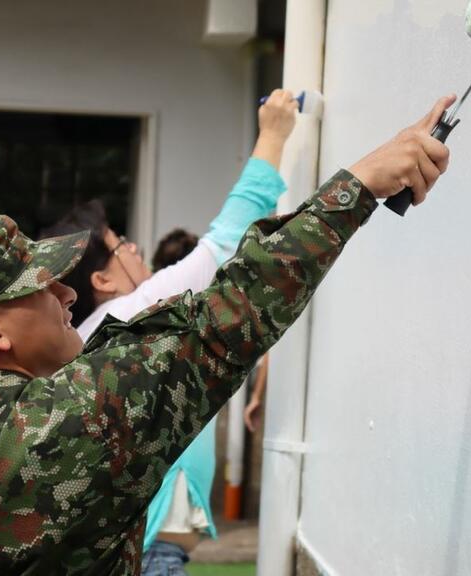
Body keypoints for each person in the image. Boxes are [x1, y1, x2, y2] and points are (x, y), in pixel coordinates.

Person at [0, 95, 455, 576]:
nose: (68, 294)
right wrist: (363, 182)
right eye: (41, 287)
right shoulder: (68, 418)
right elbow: (227, 315)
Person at [42, 91, 297, 574]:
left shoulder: (101, 331)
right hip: (154, 551)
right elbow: (230, 237)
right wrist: (274, 134)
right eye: (122, 245)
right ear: (101, 280)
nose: (137, 248)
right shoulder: (129, 314)